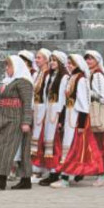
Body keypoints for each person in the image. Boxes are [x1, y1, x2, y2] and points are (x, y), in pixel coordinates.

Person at [52, 54, 103, 189]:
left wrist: (81, 124)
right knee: (74, 148)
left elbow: (83, 102)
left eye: (72, 63)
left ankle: (66, 178)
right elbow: (65, 101)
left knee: (79, 148)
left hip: (76, 118)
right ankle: (67, 176)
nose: (68, 65)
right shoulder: (72, 78)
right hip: (70, 116)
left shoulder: (80, 79)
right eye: (68, 63)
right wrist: (62, 120)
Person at [0, 56, 34, 190]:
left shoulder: (23, 82)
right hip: (6, 119)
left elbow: (27, 103)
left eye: (9, 66)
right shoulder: (8, 81)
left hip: (16, 120)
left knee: (7, 148)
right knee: (12, 149)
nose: (6, 69)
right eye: (6, 66)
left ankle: (1, 179)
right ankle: (25, 179)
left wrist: (26, 121)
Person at [34, 52, 68, 186]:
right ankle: (52, 171)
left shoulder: (64, 77)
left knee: (54, 144)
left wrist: (61, 117)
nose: (52, 62)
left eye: (55, 60)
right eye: (51, 60)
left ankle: (56, 172)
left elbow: (62, 98)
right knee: (49, 144)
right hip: (49, 111)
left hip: (56, 112)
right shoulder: (51, 76)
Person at [86, 50, 104, 186]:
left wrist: (86, 91)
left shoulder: (97, 75)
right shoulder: (91, 74)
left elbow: (102, 96)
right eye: (86, 58)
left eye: (91, 59)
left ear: (97, 60)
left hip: (97, 113)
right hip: (94, 112)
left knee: (100, 142)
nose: (88, 61)